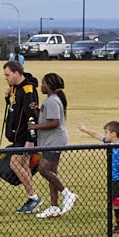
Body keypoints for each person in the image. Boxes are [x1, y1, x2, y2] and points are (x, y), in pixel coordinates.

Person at [0, 60, 44, 214]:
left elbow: (32, 116)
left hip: (25, 136)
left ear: (17, 73)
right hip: (17, 135)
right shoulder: (14, 89)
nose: (6, 78)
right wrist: (7, 98)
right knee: (22, 165)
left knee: (15, 164)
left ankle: (33, 196)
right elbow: (14, 108)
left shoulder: (28, 90)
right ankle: (32, 198)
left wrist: (31, 140)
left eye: (8, 75)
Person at [32, 71, 76, 218]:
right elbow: (47, 119)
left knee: (43, 170)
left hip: (54, 140)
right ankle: (54, 207)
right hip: (52, 139)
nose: (41, 86)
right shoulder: (51, 100)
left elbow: (55, 122)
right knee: (52, 173)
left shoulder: (52, 100)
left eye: (43, 83)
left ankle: (67, 194)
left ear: (49, 86)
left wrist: (33, 127)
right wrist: (37, 111)